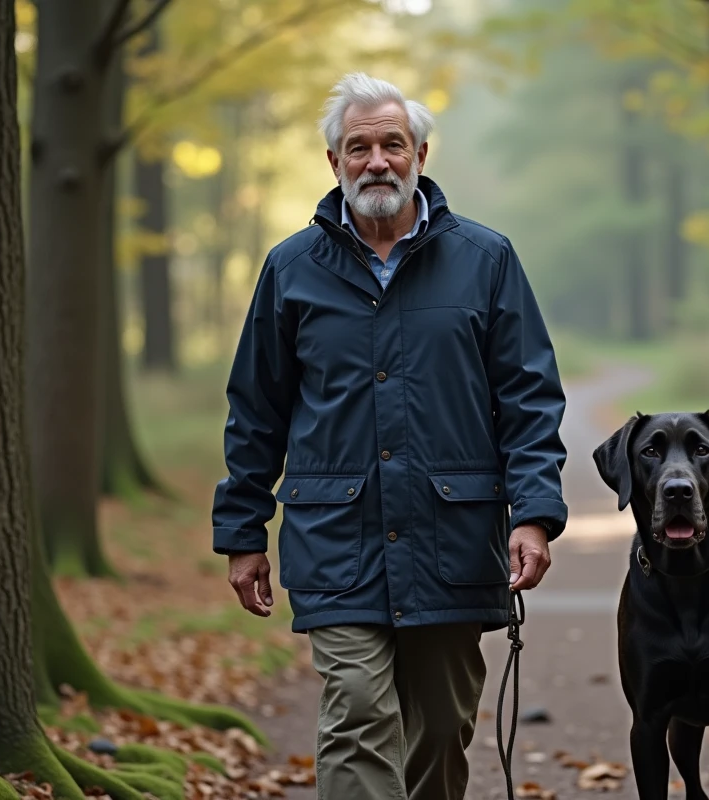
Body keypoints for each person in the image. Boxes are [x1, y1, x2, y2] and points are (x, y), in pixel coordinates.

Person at [210, 72, 568, 800]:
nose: (377, 161)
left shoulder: (486, 260)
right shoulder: (290, 270)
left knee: (439, 730)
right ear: (334, 162)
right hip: (336, 540)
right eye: (359, 146)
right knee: (358, 717)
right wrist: (243, 528)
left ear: (421, 156)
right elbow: (257, 409)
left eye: (392, 145)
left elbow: (529, 400)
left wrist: (533, 514)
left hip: (454, 540)